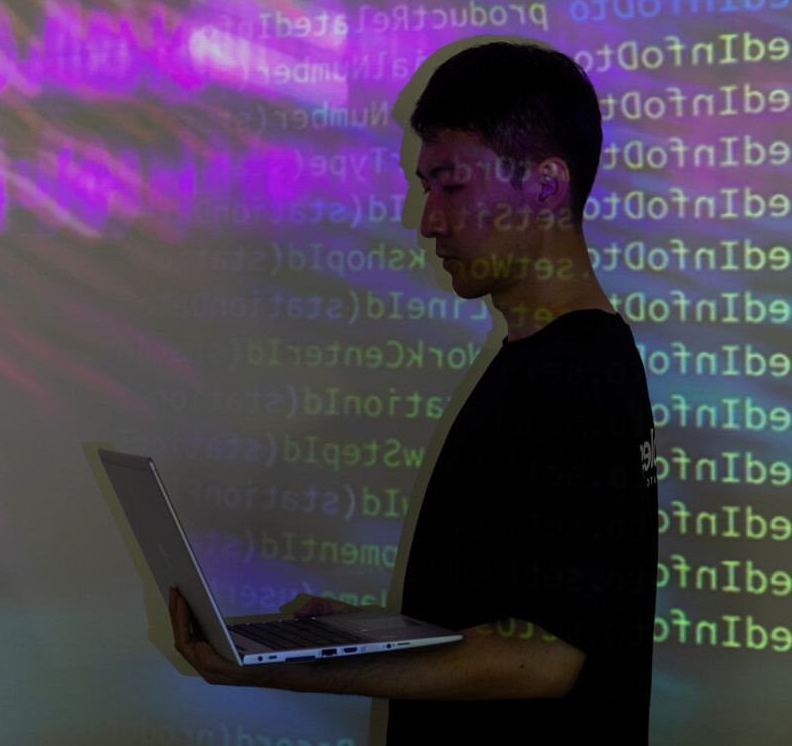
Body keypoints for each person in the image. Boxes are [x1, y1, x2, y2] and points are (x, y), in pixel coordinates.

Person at [167, 39, 658, 745]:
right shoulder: (543, 362)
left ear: (547, 185)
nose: (425, 220)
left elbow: (539, 659)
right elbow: (510, 611)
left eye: (449, 185)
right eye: (427, 188)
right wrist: (362, 635)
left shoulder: (578, 377)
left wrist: (285, 668)